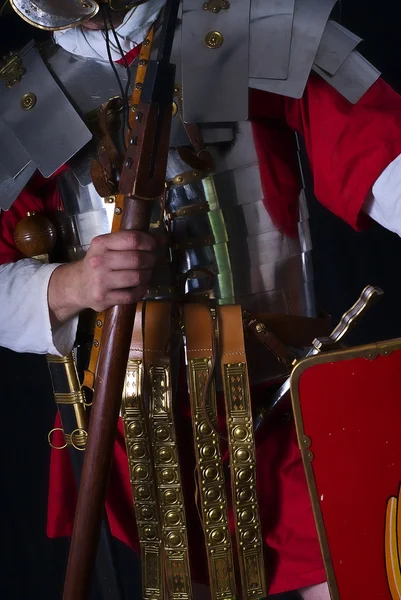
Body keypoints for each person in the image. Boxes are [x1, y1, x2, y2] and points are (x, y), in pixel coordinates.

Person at [2, 1, 401, 598]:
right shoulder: (21, 97)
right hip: (139, 437)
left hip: (283, 397)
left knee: (357, 569)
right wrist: (73, 285)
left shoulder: (248, 23)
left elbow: (381, 153)